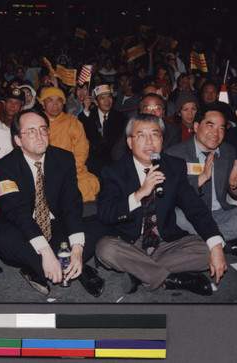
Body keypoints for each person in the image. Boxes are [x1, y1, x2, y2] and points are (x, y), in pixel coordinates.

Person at [96, 114, 227, 296]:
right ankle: (172, 280)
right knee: (105, 249)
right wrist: (140, 193)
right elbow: (105, 213)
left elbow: (195, 208)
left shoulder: (174, 167)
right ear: (129, 142)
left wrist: (216, 246)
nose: (149, 142)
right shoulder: (113, 171)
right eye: (141, 136)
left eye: (155, 135)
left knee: (208, 250)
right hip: (129, 242)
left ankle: (139, 272)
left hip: (165, 240)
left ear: (162, 140)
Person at [0, 109, 105, 297]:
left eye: (43, 129)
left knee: (102, 223)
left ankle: (38, 268)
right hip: (22, 226)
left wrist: (77, 248)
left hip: (55, 223)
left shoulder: (64, 158)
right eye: (31, 132)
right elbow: (17, 213)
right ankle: (79, 270)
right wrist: (45, 250)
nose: (40, 136)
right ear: (18, 140)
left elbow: (71, 204)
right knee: (4, 241)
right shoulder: (3, 168)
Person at [165, 110, 237, 256]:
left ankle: (207, 241)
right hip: (189, 214)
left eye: (221, 128)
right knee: (174, 216)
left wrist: (233, 185)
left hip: (218, 213)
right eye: (210, 126)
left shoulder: (228, 152)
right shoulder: (175, 154)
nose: (216, 133)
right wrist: (201, 178)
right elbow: (170, 193)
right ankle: (224, 244)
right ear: (197, 127)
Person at [39, 86, 100, 202]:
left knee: (89, 183)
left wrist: (66, 170)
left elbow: (82, 150)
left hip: (71, 169)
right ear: (43, 103)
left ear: (63, 104)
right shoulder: (36, 121)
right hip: (44, 170)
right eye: (50, 100)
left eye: (59, 100)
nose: (55, 104)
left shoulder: (72, 121)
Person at [111, 93, 181, 161]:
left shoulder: (173, 130)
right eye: (148, 109)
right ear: (140, 112)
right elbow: (118, 151)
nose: (153, 113)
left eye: (157, 108)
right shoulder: (132, 126)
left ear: (163, 112)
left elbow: (172, 157)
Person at [78, 84, 126, 176]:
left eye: (109, 97)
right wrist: (86, 108)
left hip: (114, 160)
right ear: (96, 102)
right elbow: (85, 131)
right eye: (102, 98)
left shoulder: (120, 117)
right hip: (94, 161)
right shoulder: (89, 115)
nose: (107, 101)